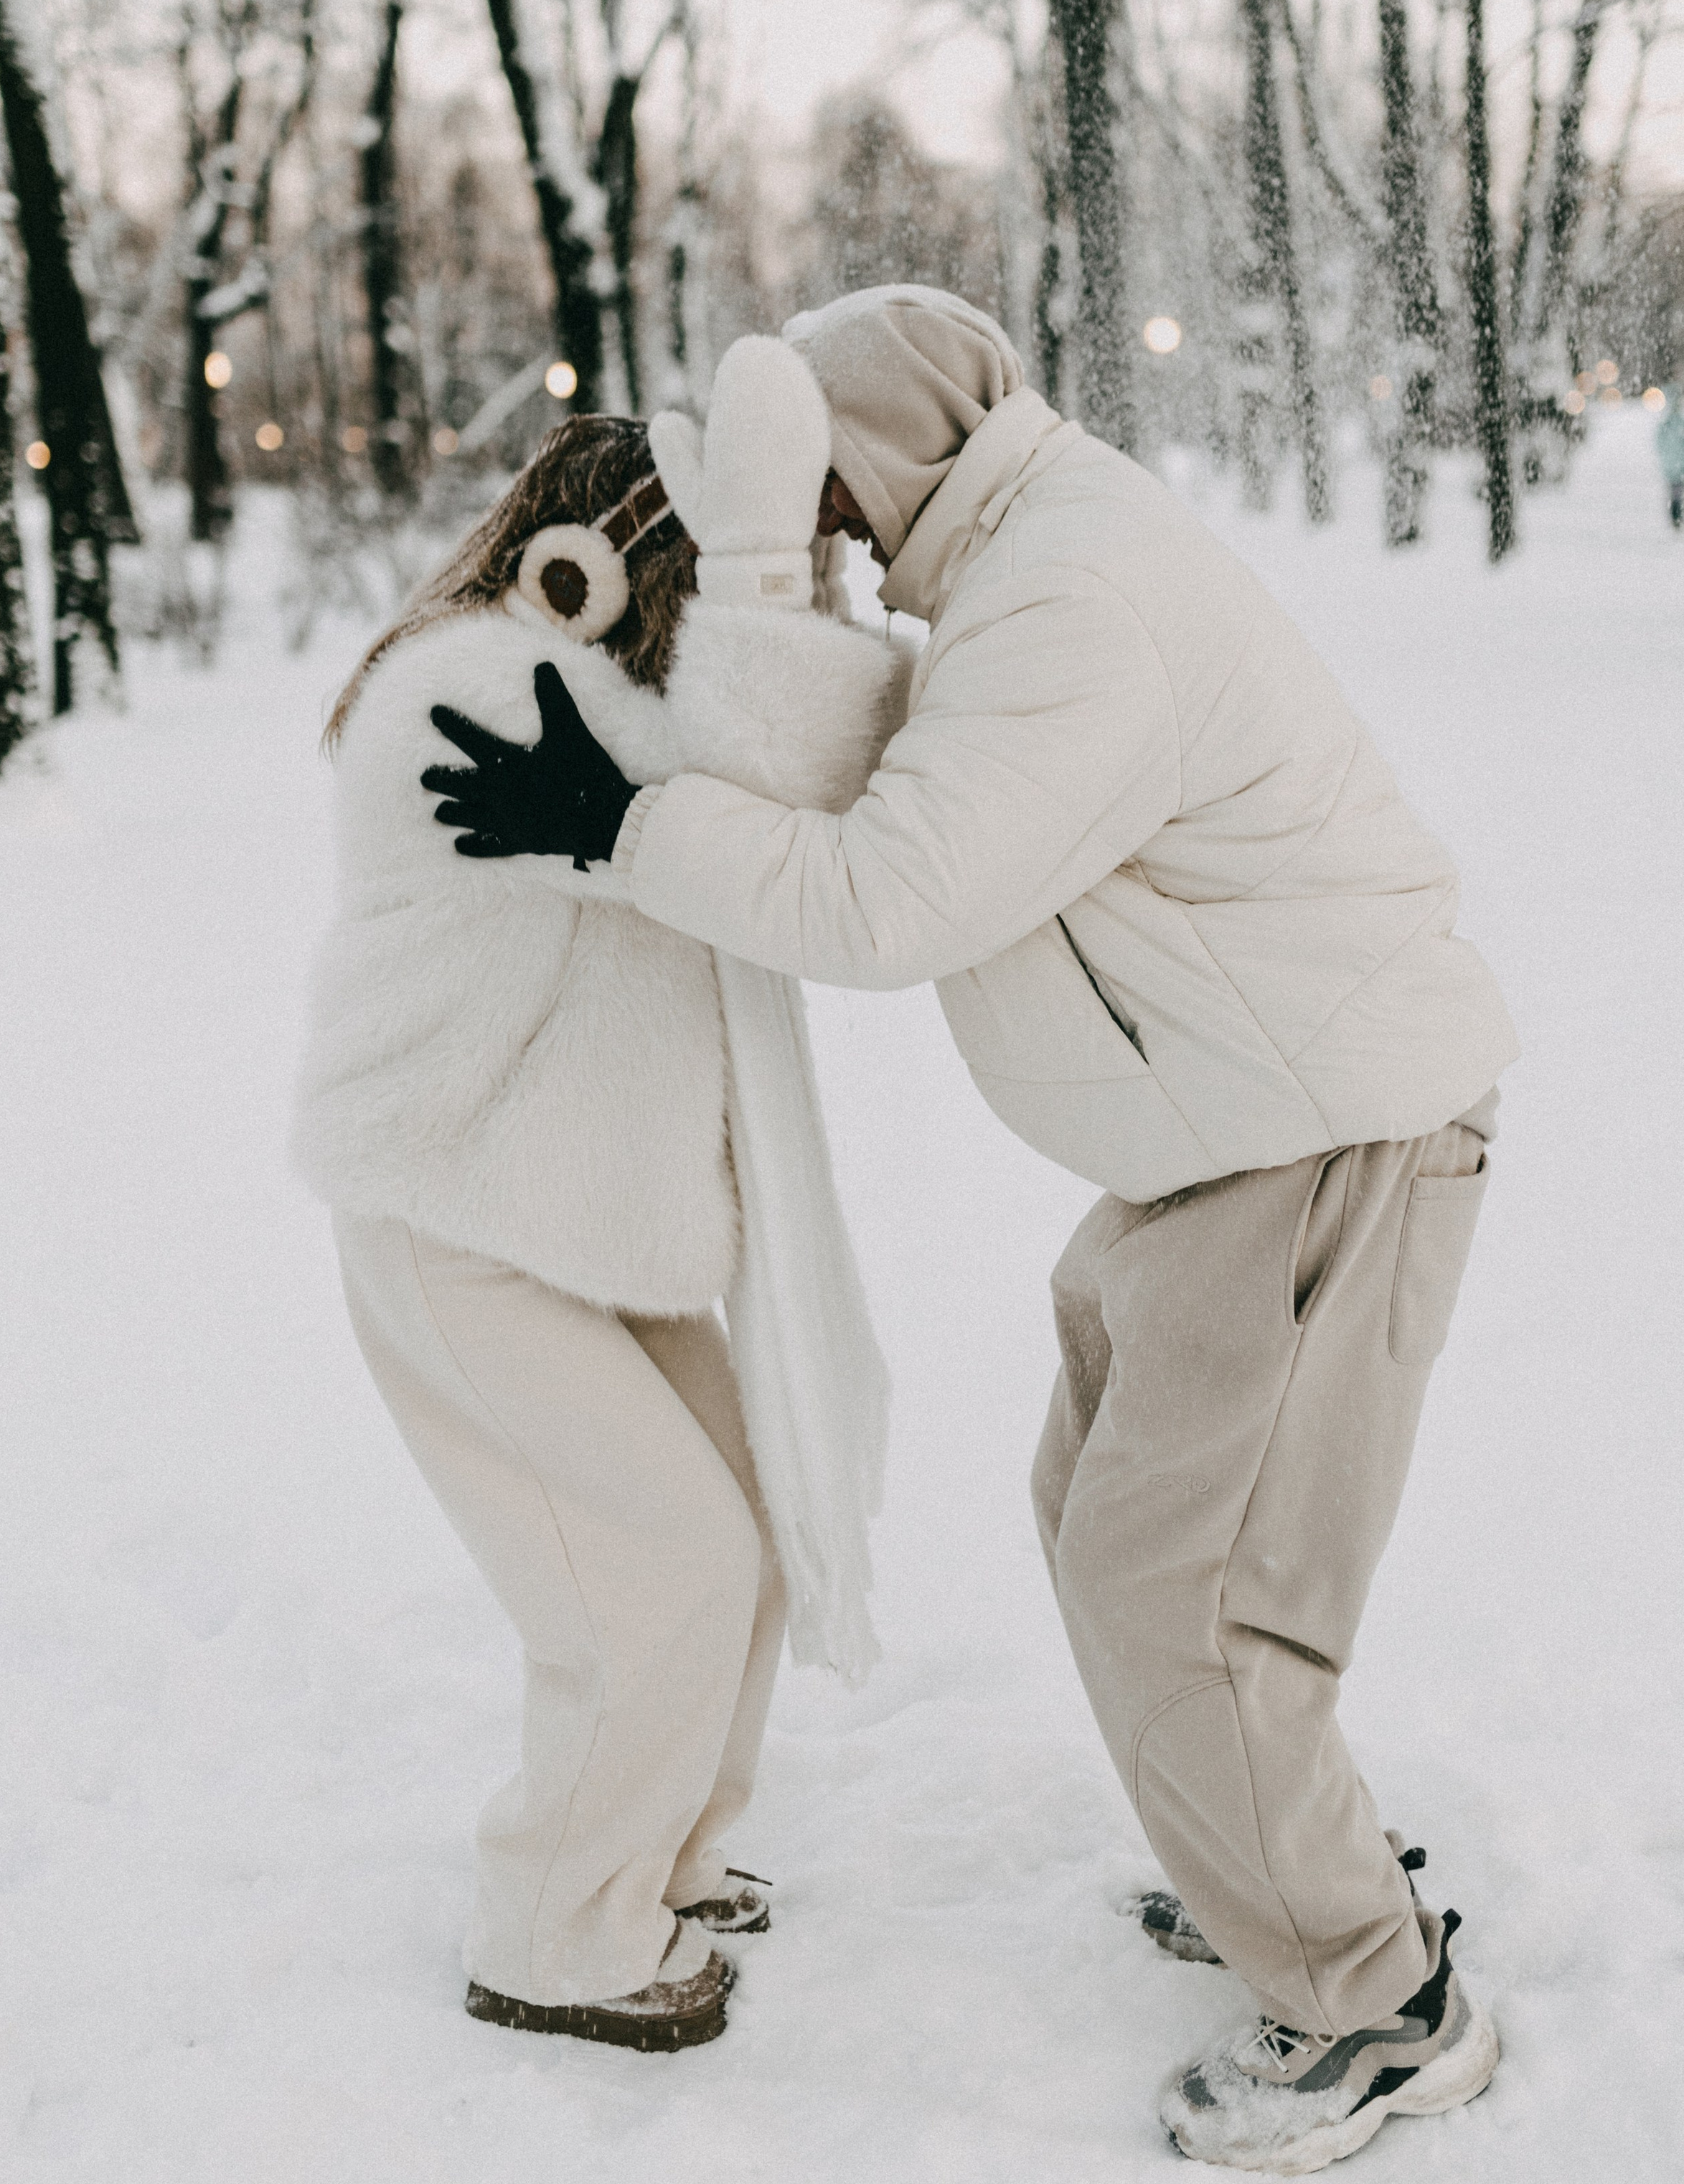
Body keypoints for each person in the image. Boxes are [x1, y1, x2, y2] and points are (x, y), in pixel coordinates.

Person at [423, 287, 1520, 2172]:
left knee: (1185, 1585)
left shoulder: (1065, 606)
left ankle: (1371, 1995)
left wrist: (621, 824)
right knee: (1110, 1522)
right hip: (1233, 1138)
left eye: (821, 495)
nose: (824, 541)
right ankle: (1270, 1855)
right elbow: (884, 775)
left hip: (1321, 1137)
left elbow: (886, 897)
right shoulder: (1025, 564)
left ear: (884, 458)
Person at [293, 339, 902, 2054]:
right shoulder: (473, 691)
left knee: (747, 1534)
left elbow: (763, 791)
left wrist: (778, 593)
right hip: (457, 1216)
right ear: (596, 564)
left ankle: (665, 1855)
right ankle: (558, 1928)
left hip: (592, 1226)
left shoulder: (617, 715)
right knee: (659, 1574)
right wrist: (775, 590)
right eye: (694, 571)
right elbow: (773, 777)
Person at [1655, 387, 1684, 529]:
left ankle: (1676, 516)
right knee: (1678, 492)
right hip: (1678, 465)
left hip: (1672, 465)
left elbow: (1659, 443)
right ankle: (1677, 516)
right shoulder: (1678, 423)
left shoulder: (1666, 424)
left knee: (1675, 492)